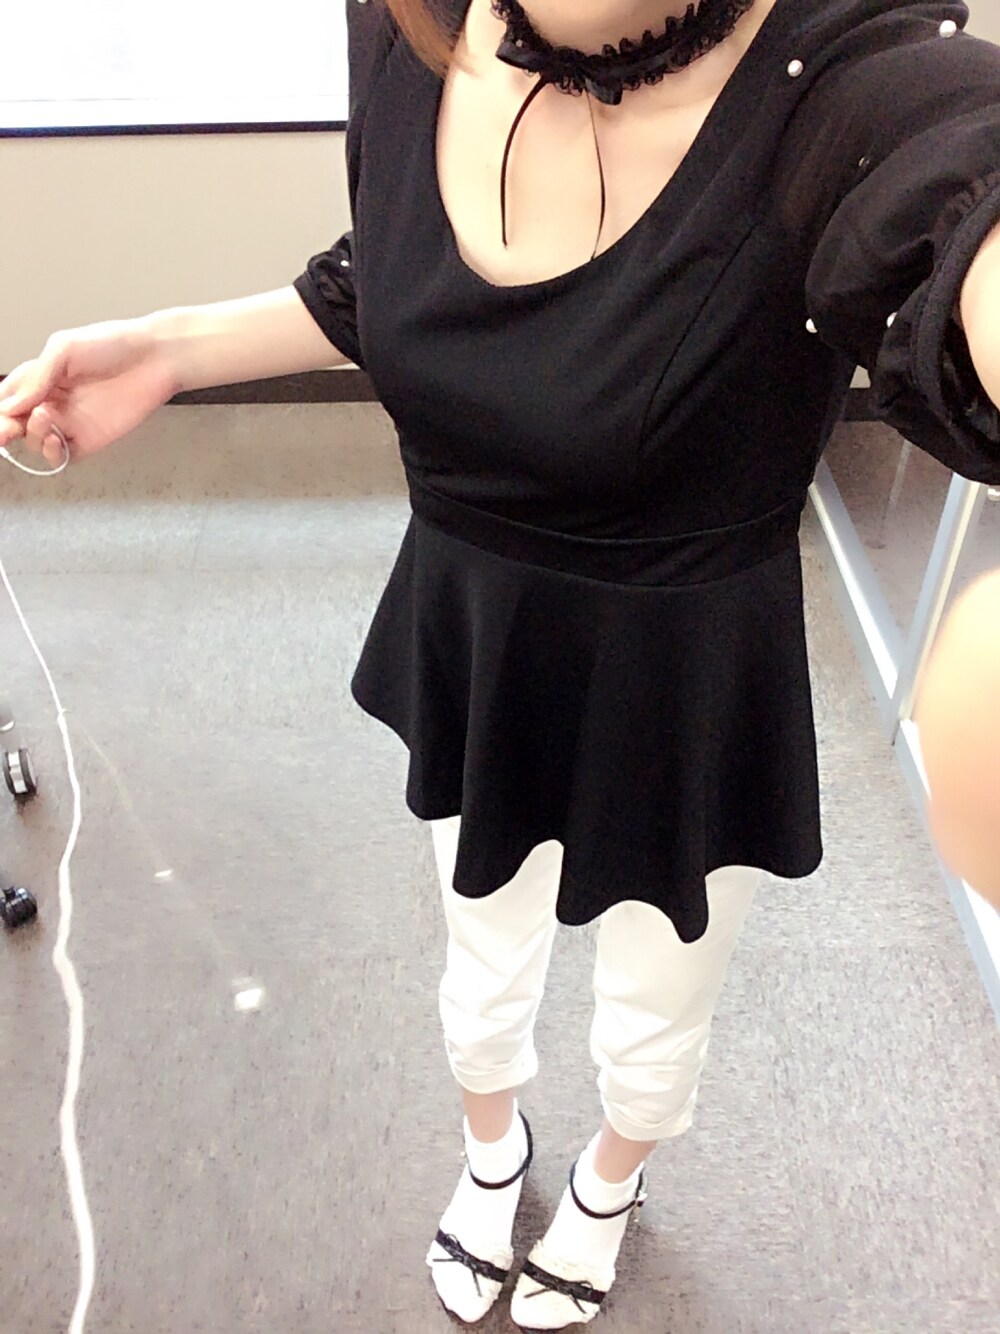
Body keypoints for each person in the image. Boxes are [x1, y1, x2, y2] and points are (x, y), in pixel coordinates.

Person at [2, 0, 1000, 1327]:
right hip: (477, 615)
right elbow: (395, 281)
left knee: (660, 983)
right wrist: (175, 348)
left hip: (685, 659)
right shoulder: (402, 23)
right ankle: (492, 1151)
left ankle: (611, 1178)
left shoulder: (849, 79)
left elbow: (963, 171)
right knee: (479, 942)